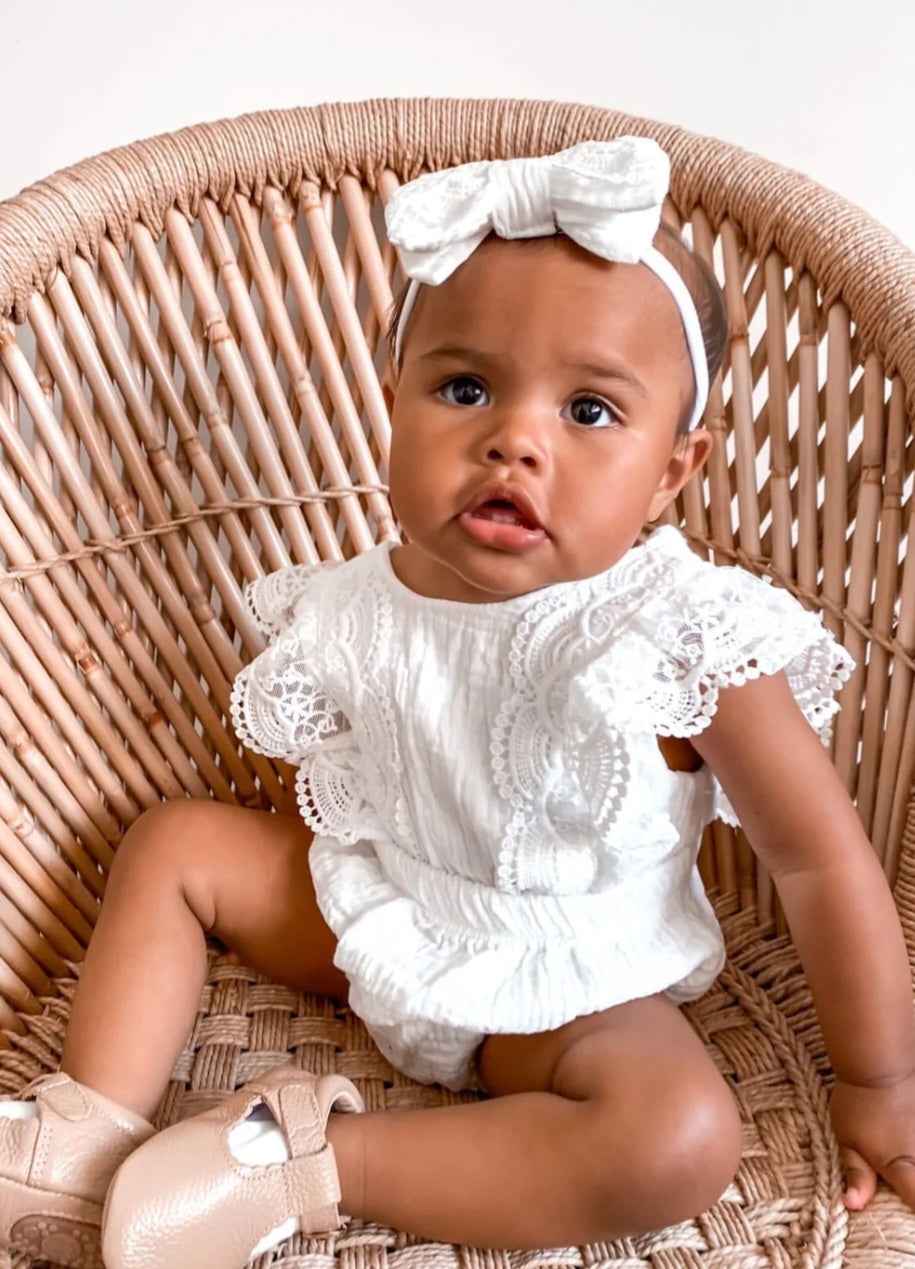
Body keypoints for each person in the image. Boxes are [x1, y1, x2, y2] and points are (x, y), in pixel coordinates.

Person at [0, 137, 912, 1269]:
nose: (515, 438)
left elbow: (822, 863)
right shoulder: (349, 603)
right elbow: (366, 779)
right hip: (380, 914)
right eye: (465, 388)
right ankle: (80, 1138)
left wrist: (881, 1080)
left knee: (680, 1137)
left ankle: (309, 1161)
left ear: (676, 468)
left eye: (589, 412)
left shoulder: (678, 635)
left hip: (565, 992)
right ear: (395, 403)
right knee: (176, 844)